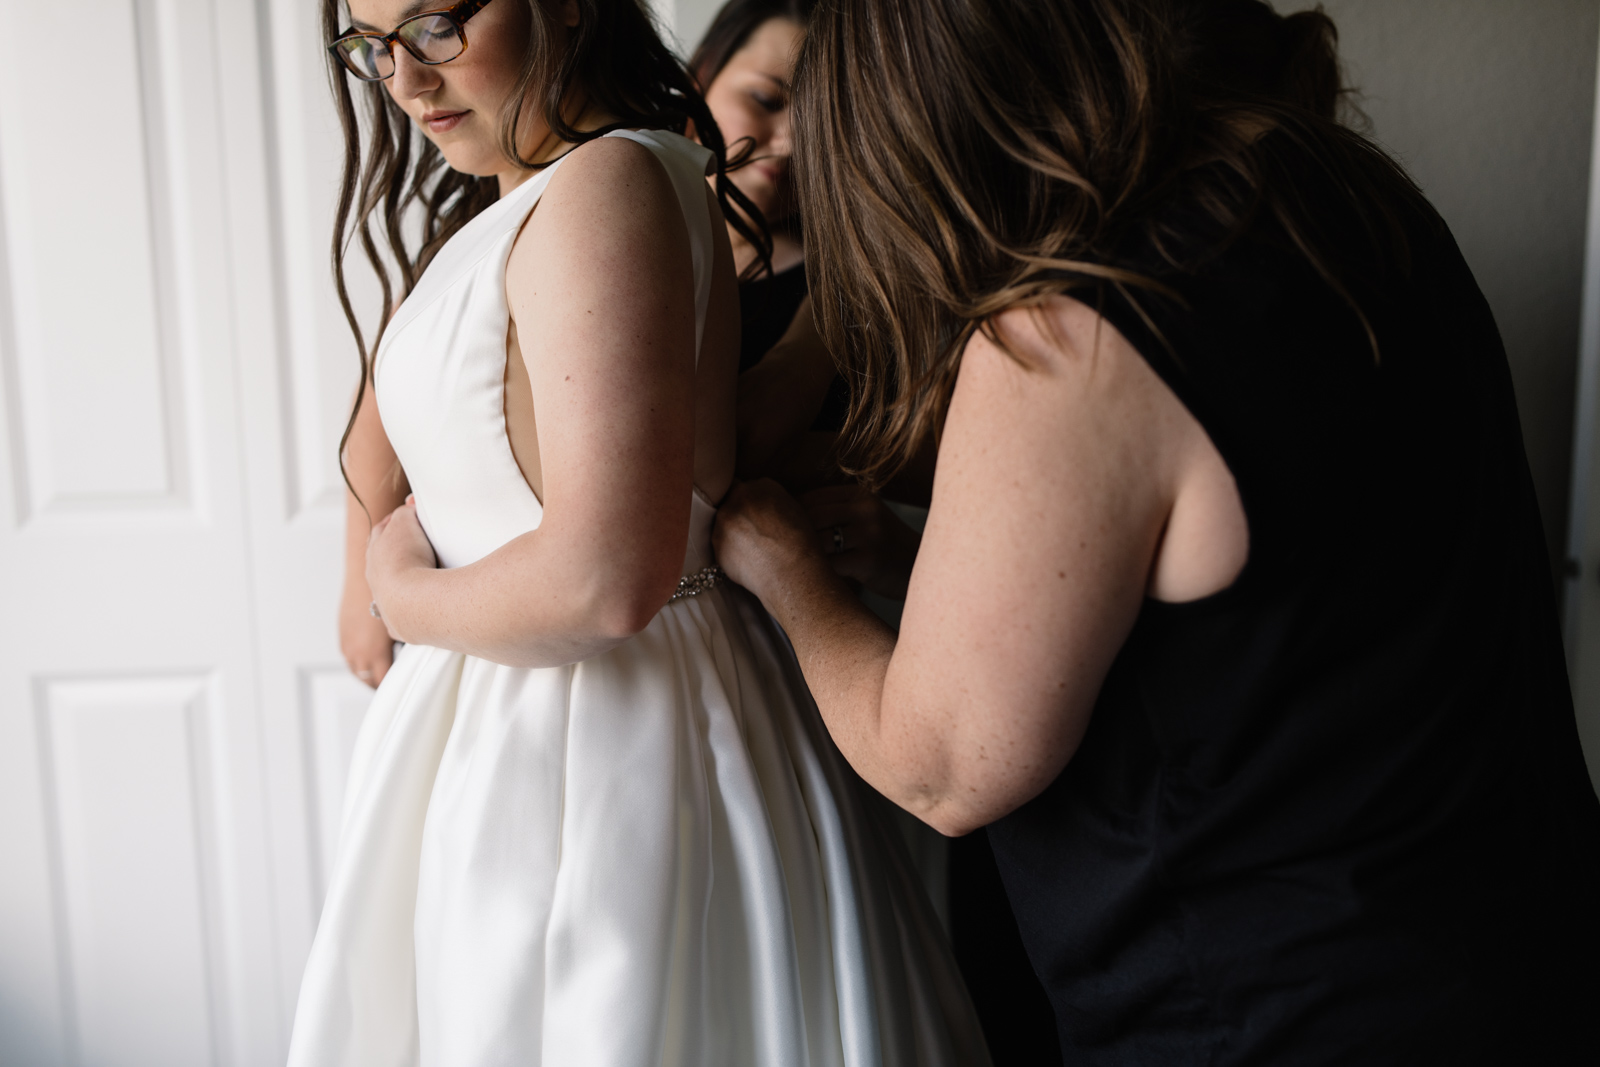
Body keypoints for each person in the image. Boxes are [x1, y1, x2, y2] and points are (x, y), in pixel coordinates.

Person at [714, 0, 1600, 1062]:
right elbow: (1254, 597)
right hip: (1513, 951)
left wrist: (787, 574)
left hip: (1280, 1009)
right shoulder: (1346, 195)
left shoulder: (1076, 327)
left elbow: (943, 764)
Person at [290, 0, 990, 1063]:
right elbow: (389, 426)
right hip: (503, 723)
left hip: (593, 738)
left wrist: (407, 597)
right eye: (371, 46)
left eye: (434, 26)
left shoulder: (607, 188)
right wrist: (364, 569)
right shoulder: (532, 196)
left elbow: (606, 581)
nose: (404, 82)